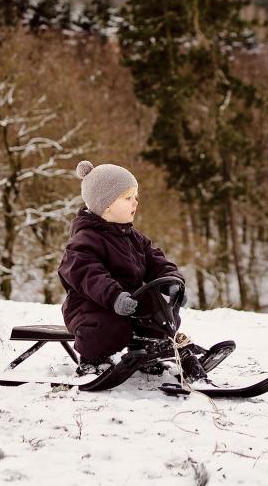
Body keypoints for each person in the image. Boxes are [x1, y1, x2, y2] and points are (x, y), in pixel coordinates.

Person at [58, 160, 208, 381]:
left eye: (135, 197)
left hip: (131, 303)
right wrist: (115, 296)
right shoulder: (84, 242)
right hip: (92, 308)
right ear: (106, 204)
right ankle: (93, 361)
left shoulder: (134, 238)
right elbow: (89, 275)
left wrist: (172, 281)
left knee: (160, 314)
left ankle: (149, 354)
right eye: (128, 198)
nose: (135, 203)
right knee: (108, 328)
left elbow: (157, 261)